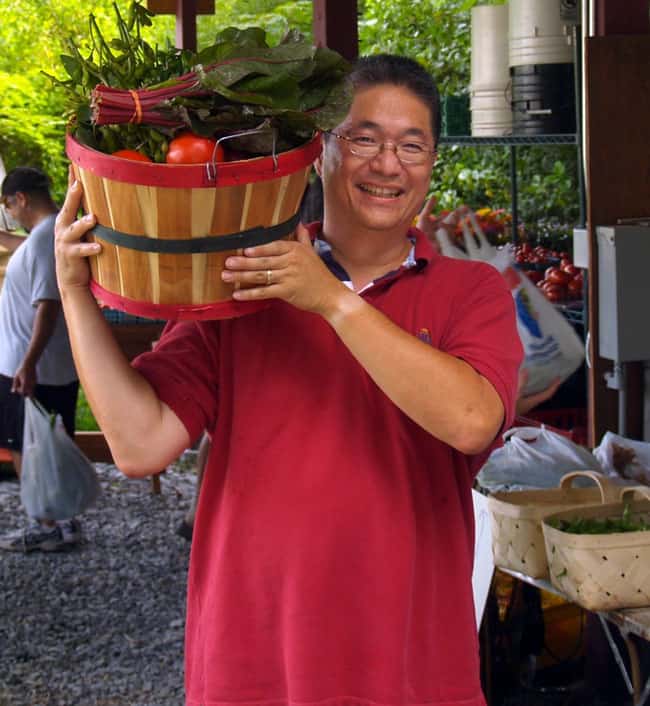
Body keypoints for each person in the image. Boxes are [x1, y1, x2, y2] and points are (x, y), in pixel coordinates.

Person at [55, 55, 522, 706]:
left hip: (409, 673)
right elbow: (139, 446)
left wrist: (331, 300)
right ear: (320, 149)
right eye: (363, 138)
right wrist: (76, 294)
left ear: (432, 163)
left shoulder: (471, 292)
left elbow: (472, 419)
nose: (388, 164)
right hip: (252, 668)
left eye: (411, 145)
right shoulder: (240, 278)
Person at [0, 167, 81, 552]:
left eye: (8, 207)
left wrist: (28, 363)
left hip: (28, 369)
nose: (9, 214)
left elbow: (46, 307)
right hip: (52, 367)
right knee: (51, 444)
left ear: (20, 199)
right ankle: (64, 520)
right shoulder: (49, 235)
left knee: (24, 446)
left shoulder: (43, 240)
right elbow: (28, 251)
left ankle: (44, 525)